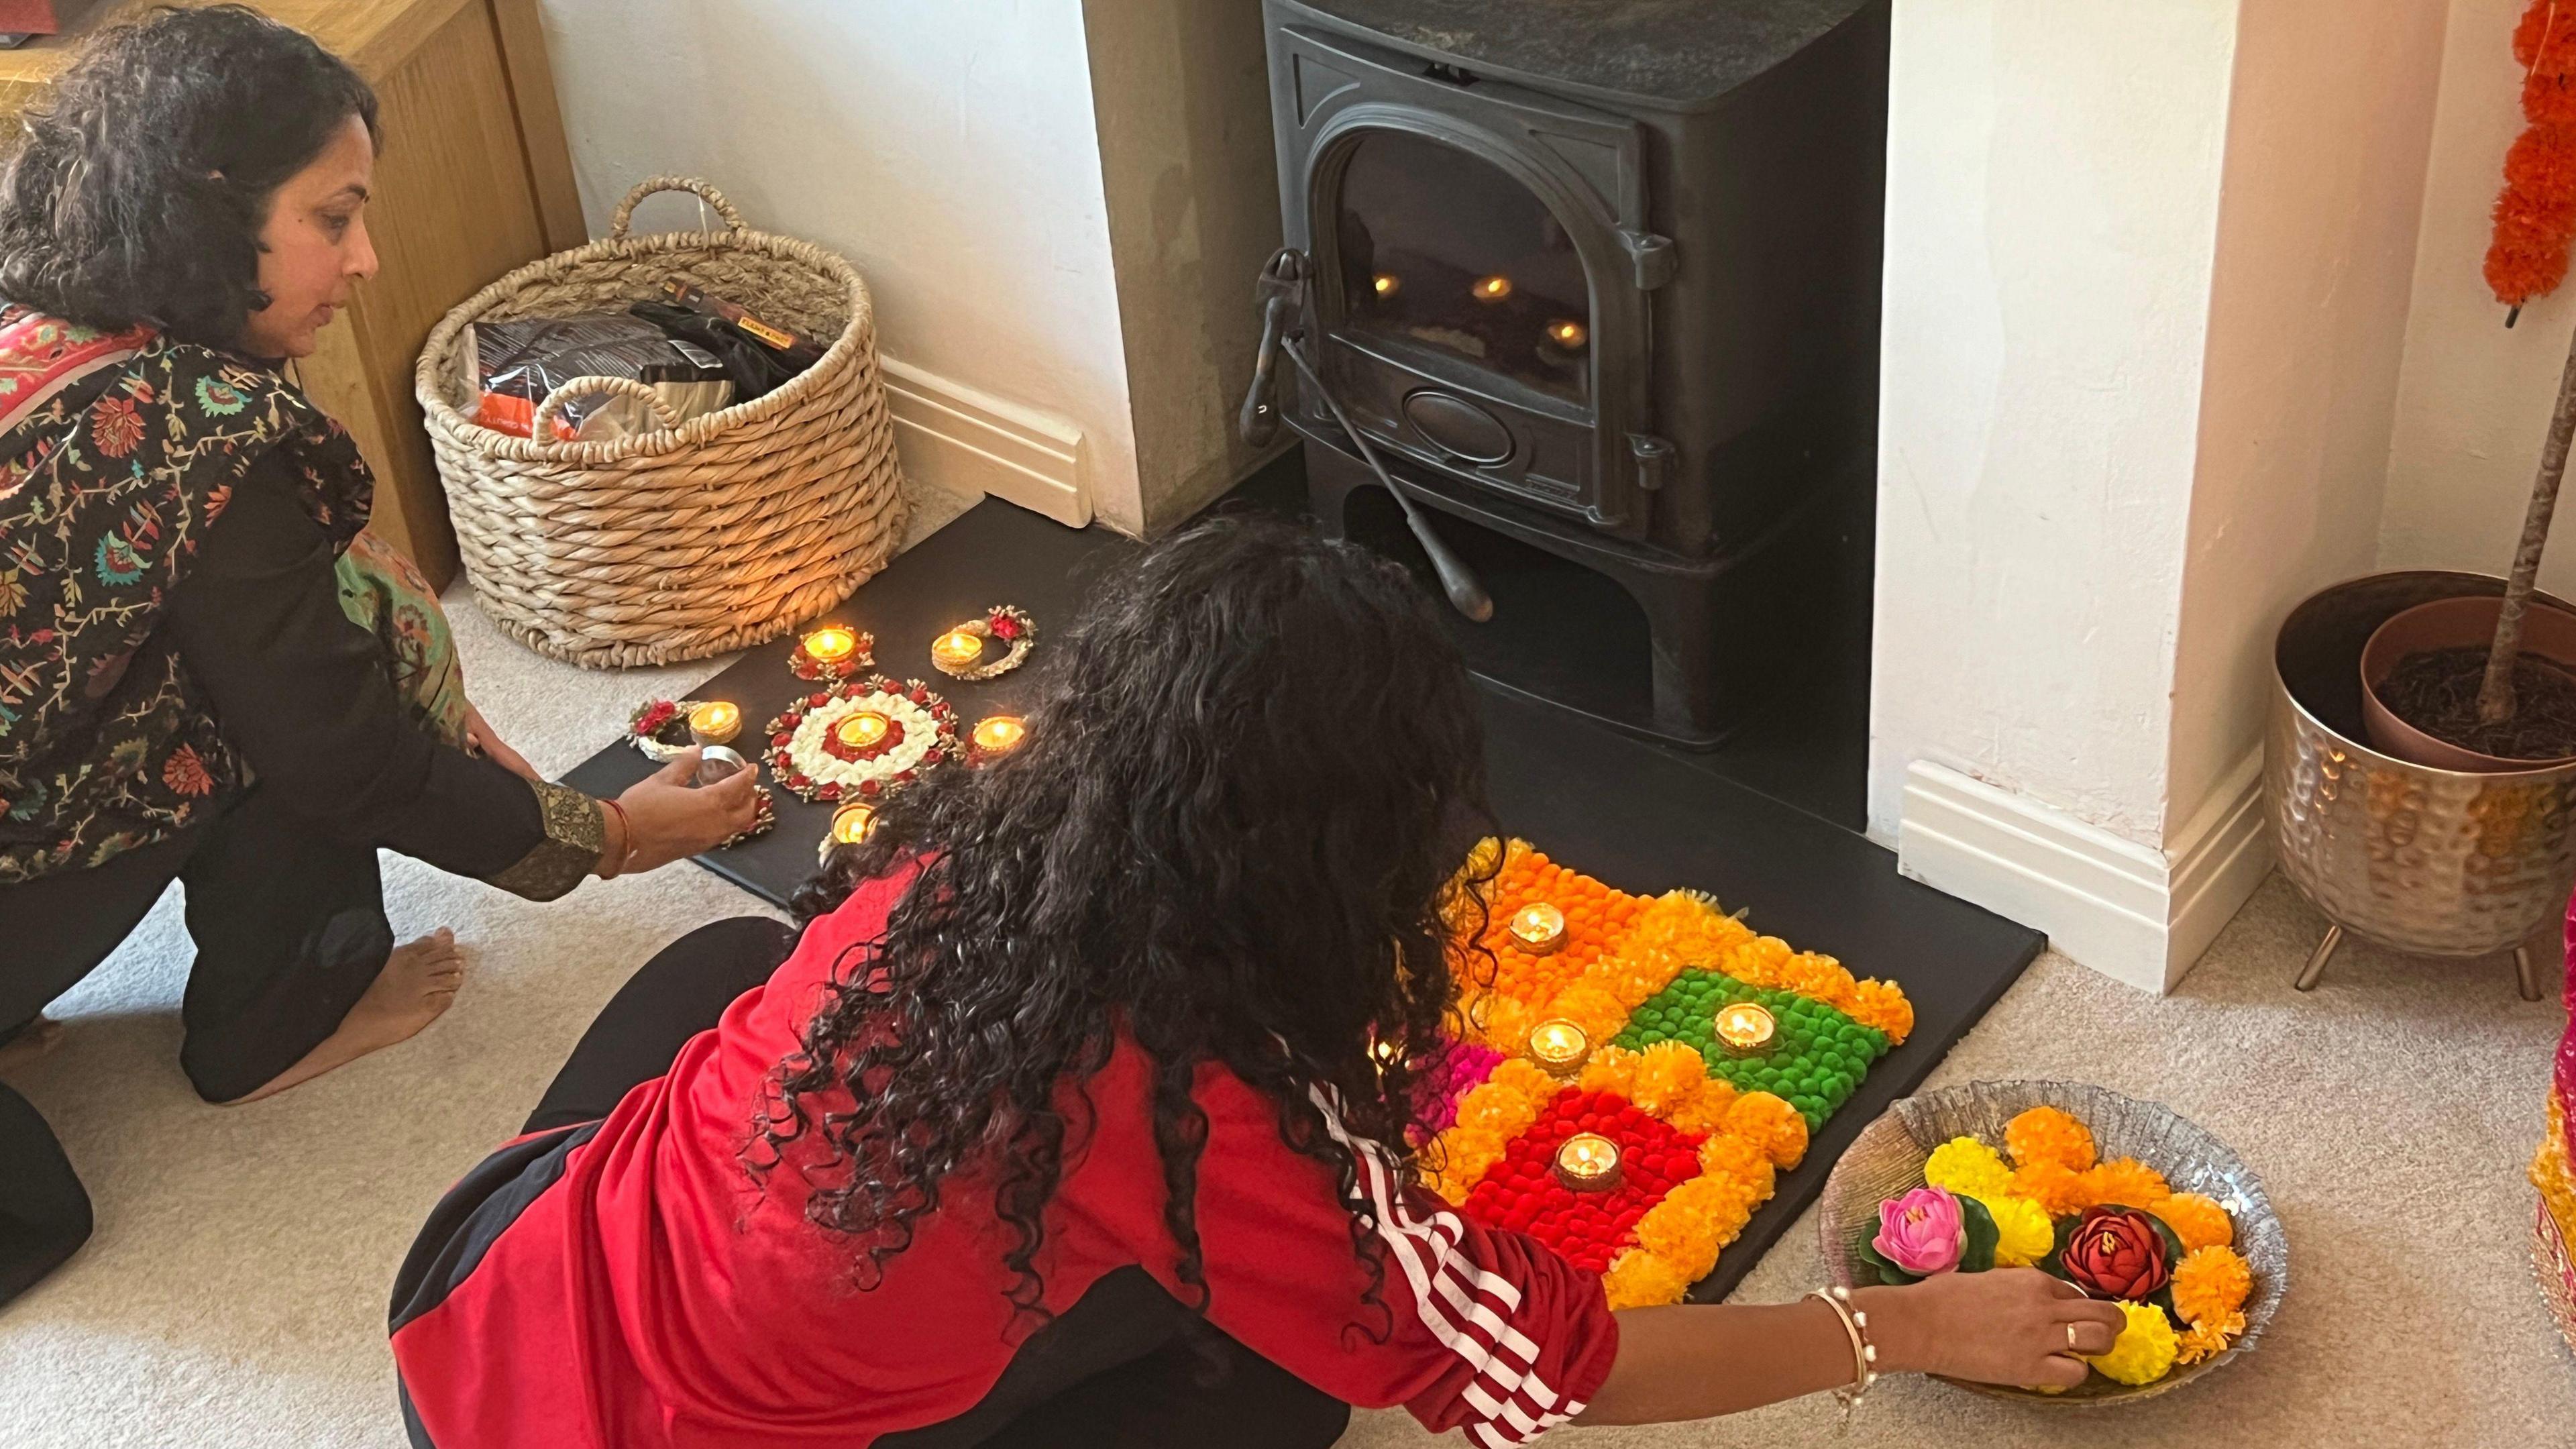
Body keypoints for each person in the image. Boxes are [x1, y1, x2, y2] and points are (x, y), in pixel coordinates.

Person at [388, 517, 2123, 1447]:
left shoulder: (956, 864)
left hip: (476, 1293)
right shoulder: (1213, 1114)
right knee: (1296, 1376)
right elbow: (1535, 1374)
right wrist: (1899, 1327)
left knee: (730, 961)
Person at [0, 7, 759, 1309]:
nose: (367, 260)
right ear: (206, 214)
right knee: (292, 695)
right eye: (333, 218)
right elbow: (350, 759)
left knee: (288, 635)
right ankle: (281, 1023)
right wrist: (606, 837)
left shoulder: (39, 322)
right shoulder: (206, 433)